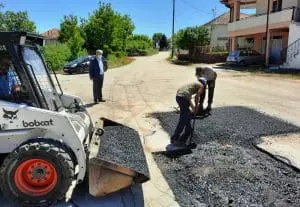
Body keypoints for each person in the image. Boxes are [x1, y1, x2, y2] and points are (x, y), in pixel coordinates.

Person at [171, 78, 207, 146]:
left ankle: (182, 139)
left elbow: (189, 98)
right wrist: (196, 107)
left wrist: (194, 109)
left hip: (178, 96)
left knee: (186, 117)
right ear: (204, 84)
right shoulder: (201, 86)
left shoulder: (193, 84)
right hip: (183, 98)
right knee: (183, 119)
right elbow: (196, 97)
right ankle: (175, 139)